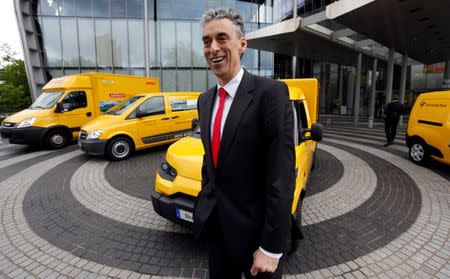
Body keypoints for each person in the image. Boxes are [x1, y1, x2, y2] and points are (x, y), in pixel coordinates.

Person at [193, 7, 298, 279]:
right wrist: (205, 203)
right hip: (218, 233)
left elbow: (281, 176)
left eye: (221, 38)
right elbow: (211, 159)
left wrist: (271, 247)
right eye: (207, 41)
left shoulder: (271, 94)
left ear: (242, 44)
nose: (213, 48)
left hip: (258, 243)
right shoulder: (204, 101)